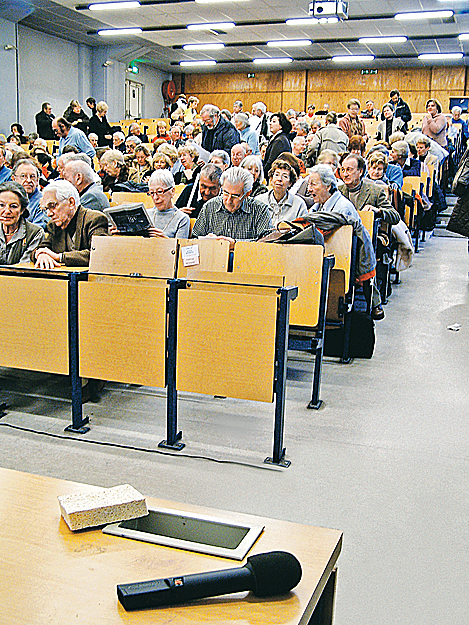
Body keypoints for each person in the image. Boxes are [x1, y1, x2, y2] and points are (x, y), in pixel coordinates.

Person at [308, 163, 377, 312]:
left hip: (339, 262)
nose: (309, 189)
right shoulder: (318, 206)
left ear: (327, 186)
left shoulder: (342, 208)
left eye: (313, 184)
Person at [31, 180, 108, 267]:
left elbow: (98, 254)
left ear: (71, 202)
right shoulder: (53, 225)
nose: (49, 214)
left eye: (52, 206)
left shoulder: (95, 219)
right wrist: (41, 255)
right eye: (46, 209)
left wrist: (60, 257)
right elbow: (41, 248)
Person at [191, 166, 273, 245]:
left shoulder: (260, 210)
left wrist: (236, 244)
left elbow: (266, 243)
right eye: (226, 193)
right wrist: (205, 241)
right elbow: (194, 239)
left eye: (235, 196)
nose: (229, 200)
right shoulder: (210, 206)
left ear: (247, 194)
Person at [0, 181, 44, 264]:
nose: (6, 211)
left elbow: (23, 267)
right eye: (1, 205)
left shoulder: (35, 233)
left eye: (13, 206)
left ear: (22, 210)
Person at [256, 159, 308, 227]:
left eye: (285, 176)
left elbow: (304, 229)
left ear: (290, 183)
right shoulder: (258, 201)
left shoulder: (299, 204)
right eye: (276, 175)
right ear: (271, 179)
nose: (279, 179)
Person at [11, 159, 48, 229]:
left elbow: (38, 229)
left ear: (37, 180)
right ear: (13, 178)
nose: (28, 180)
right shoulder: (6, 198)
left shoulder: (43, 201)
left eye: (32, 176)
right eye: (23, 176)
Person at [263, 112, 292, 178]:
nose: (270, 124)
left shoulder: (279, 141)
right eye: (270, 121)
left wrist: (262, 174)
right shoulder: (280, 138)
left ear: (281, 125)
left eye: (274, 122)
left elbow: (271, 161)